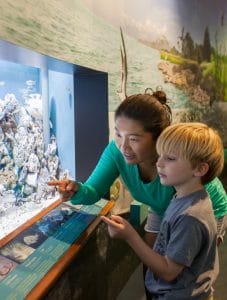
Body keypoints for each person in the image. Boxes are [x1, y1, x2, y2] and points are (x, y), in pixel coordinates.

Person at [48, 90, 227, 247]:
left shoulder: (174, 158)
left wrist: (132, 237)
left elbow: (172, 269)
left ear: (159, 138)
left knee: (186, 273)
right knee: (152, 265)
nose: (123, 146)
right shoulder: (116, 151)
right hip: (161, 208)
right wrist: (76, 190)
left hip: (202, 210)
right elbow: (93, 191)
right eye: (118, 134)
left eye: (134, 139)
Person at [101, 122, 223, 299]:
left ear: (200, 169)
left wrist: (130, 236)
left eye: (170, 158)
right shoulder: (183, 196)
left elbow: (168, 271)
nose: (158, 163)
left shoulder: (191, 217)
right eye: (160, 155)